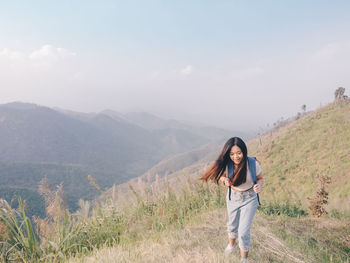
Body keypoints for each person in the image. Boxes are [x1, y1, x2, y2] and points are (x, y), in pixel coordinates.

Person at [201, 137, 263, 263]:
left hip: (250, 198)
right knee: (232, 224)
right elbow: (222, 177)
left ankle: (244, 259)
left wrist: (259, 185)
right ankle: (232, 245)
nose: (236, 156)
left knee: (243, 231)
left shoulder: (252, 163)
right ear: (228, 154)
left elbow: (260, 178)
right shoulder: (227, 164)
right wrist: (225, 181)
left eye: (239, 153)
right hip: (233, 197)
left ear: (244, 152)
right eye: (232, 154)